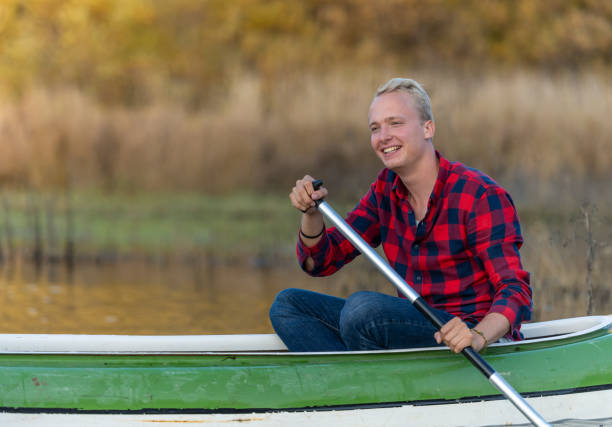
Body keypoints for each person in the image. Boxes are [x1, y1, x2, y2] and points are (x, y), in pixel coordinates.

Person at [269, 78, 532, 353]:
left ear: (428, 128)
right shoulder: (385, 190)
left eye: (396, 123)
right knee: (288, 306)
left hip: (468, 335)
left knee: (362, 310)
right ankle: (355, 385)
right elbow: (321, 262)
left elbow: (515, 290)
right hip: (414, 327)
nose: (383, 137)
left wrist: (478, 336)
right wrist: (311, 214)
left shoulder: (479, 195)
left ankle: (364, 381)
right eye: (375, 128)